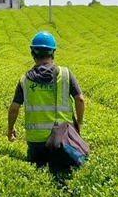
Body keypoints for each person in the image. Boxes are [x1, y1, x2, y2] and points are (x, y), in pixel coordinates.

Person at [7, 31, 85, 171]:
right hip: (62, 138)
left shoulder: (25, 80)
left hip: (36, 141)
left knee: (38, 176)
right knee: (65, 174)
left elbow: (14, 108)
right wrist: (78, 123)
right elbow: (80, 99)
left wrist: (10, 128)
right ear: (53, 52)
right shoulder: (66, 74)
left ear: (33, 53)